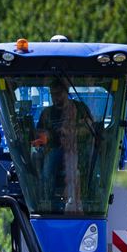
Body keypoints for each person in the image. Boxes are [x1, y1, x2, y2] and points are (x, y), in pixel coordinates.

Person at [31, 79, 94, 212]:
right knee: (47, 172)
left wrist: (71, 132)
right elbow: (39, 134)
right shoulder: (47, 113)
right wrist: (46, 135)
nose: (56, 98)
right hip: (55, 150)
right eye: (53, 94)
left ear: (67, 92)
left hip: (78, 150)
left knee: (86, 171)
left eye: (59, 94)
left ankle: (87, 201)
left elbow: (90, 129)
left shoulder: (80, 108)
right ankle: (47, 204)